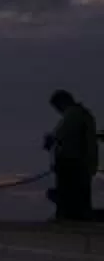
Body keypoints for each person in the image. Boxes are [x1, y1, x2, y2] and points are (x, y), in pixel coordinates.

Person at [46, 89, 96, 221]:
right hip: (83, 165)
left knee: (70, 200)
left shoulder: (72, 115)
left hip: (72, 165)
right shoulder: (85, 115)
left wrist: (51, 141)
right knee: (81, 199)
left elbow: (62, 137)